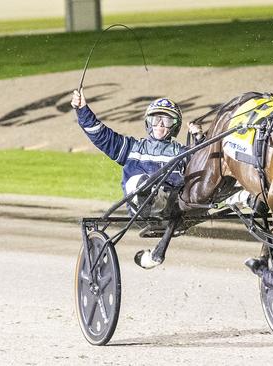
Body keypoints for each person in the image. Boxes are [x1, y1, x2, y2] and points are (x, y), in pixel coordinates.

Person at [71, 89, 204, 269]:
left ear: (175, 125)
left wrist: (198, 138)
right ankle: (151, 192)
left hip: (172, 206)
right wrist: (82, 109)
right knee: (140, 182)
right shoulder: (132, 148)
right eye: (155, 119)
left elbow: (203, 165)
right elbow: (101, 135)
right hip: (141, 208)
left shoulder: (182, 153)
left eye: (166, 120)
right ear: (148, 122)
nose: (160, 125)